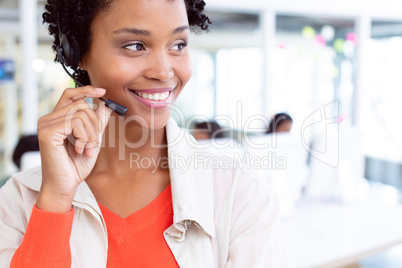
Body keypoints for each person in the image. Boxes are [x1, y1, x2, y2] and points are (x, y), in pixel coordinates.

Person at [0, 0, 286, 267]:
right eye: (135, 45)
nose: (164, 72)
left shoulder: (241, 195)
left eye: (178, 44)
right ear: (75, 52)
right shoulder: (19, 200)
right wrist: (55, 200)